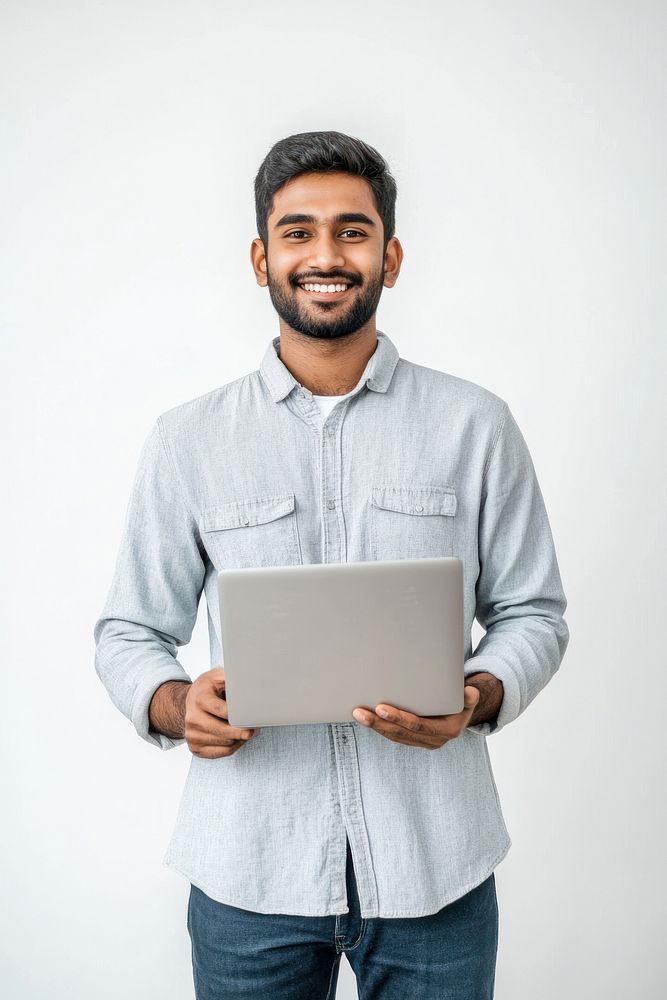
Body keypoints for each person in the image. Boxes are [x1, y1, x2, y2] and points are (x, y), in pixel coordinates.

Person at [93, 130, 569, 999]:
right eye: (298, 232)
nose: (325, 255)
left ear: (389, 257)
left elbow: (533, 611)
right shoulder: (187, 440)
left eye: (352, 232)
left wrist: (476, 697)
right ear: (260, 256)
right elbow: (129, 628)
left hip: (437, 868)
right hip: (249, 871)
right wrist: (173, 705)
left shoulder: (475, 425)